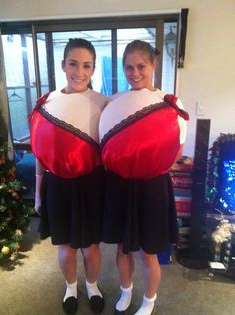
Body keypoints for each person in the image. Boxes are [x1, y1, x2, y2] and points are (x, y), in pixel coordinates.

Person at [99, 40, 189, 315]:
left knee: (148, 251)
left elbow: (177, 150)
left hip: (152, 186)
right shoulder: (114, 100)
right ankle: (126, 291)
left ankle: (148, 301)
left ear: (153, 65)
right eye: (128, 67)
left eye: (141, 66)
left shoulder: (169, 103)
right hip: (120, 185)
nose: (134, 73)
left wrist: (149, 166)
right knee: (123, 247)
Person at [29, 38, 108, 315]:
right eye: (73, 64)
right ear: (63, 65)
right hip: (57, 184)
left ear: (94, 69)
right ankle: (71, 287)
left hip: (92, 184)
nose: (80, 72)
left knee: (91, 246)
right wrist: (38, 193)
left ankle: (93, 286)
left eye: (87, 66)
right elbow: (40, 154)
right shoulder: (47, 102)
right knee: (65, 245)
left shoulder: (104, 104)